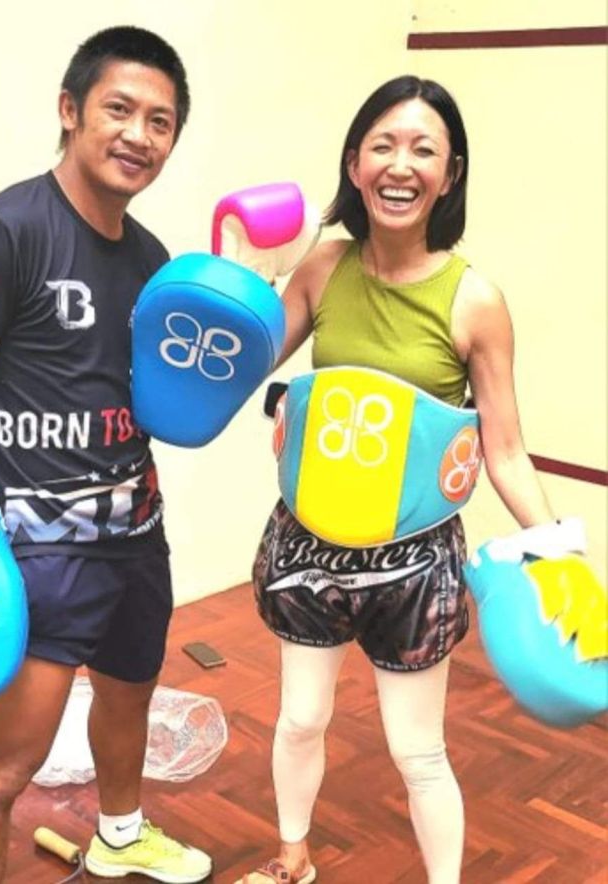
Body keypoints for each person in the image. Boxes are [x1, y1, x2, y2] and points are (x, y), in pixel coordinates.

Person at [0, 25, 212, 884]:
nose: (139, 135)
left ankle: (120, 835)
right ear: (71, 110)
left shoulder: (151, 262)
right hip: (42, 553)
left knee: (128, 691)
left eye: (160, 121)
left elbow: (157, 400)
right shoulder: (2, 233)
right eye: (120, 109)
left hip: (136, 535)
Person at [238, 75, 558, 884]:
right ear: (354, 164)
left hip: (413, 561)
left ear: (450, 176)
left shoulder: (475, 301)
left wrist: (558, 556)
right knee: (299, 719)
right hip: (308, 541)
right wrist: (246, 275)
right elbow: (239, 364)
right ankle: (292, 859)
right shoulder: (324, 266)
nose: (400, 165)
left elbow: (506, 451)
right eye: (382, 145)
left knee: (418, 751)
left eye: (423, 149)